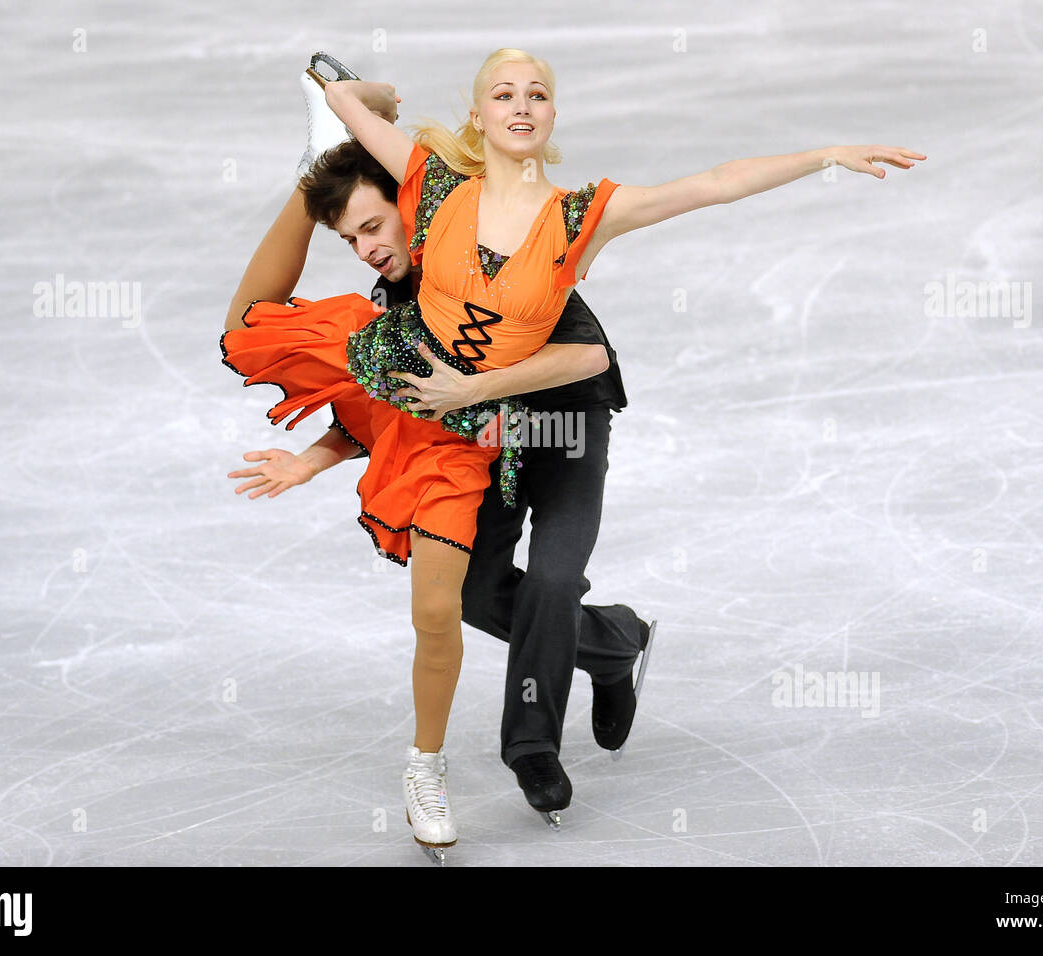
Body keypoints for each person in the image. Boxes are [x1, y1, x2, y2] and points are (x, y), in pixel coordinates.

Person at [223, 46, 924, 860]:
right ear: (478, 115)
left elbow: (709, 188)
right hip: (483, 433)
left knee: (552, 576)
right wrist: (356, 101)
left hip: (563, 421)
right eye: (503, 93)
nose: (522, 106)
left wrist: (821, 155)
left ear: (552, 115)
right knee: (479, 595)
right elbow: (339, 103)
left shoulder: (577, 217)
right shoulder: (432, 200)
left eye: (538, 94)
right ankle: (616, 643)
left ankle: (530, 750)